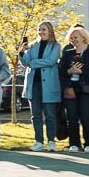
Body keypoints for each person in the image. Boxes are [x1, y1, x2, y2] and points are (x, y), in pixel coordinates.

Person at [59, 27, 89, 152]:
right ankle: (74, 143)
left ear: (83, 38)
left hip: (87, 89)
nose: (73, 40)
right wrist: (70, 71)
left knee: (86, 117)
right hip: (70, 89)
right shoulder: (67, 53)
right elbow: (61, 71)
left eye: (76, 37)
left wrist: (82, 72)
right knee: (72, 117)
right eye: (71, 38)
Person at [20, 22, 61, 152]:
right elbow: (25, 62)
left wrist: (33, 63)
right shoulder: (32, 46)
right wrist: (22, 52)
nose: (41, 32)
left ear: (50, 31)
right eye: (39, 29)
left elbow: (51, 61)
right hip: (33, 85)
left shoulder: (55, 46)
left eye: (44, 29)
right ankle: (39, 141)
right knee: (35, 115)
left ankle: (51, 141)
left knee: (50, 115)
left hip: (48, 85)